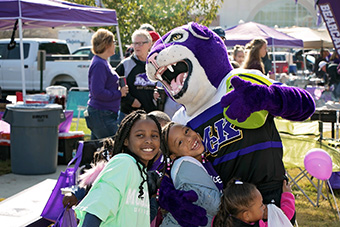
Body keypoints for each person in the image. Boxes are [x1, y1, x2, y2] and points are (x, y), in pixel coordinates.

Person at [146, 22, 315, 226]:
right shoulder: (182, 121)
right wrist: (169, 194)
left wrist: (267, 97)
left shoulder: (239, 81)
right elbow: (176, 165)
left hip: (270, 193)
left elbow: (305, 106)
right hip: (231, 206)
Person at [74, 110, 163, 227]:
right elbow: (96, 210)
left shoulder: (140, 172)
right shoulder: (123, 163)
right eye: (140, 135)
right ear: (125, 140)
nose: (148, 140)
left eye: (154, 136)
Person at [159, 122, 223, 227]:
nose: (188, 138)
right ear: (173, 156)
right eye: (180, 142)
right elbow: (215, 205)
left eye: (186, 131)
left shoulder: (203, 160)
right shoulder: (184, 165)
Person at [84, 28, 128, 140]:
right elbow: (97, 92)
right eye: (113, 42)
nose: (115, 45)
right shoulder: (99, 64)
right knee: (114, 146)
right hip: (101, 114)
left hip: (103, 114)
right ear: (106, 44)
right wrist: (119, 93)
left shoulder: (102, 62)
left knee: (98, 150)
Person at [212, 178, 295, 227]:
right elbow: (282, 217)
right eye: (261, 205)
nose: (264, 207)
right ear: (246, 215)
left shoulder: (218, 221)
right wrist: (287, 194)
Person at [116, 29, 157, 124]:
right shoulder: (126, 64)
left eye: (141, 43)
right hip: (129, 115)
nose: (137, 47)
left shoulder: (155, 63)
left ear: (149, 44)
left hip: (151, 115)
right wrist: (130, 101)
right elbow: (115, 86)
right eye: (135, 43)